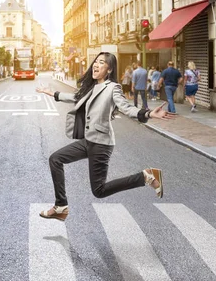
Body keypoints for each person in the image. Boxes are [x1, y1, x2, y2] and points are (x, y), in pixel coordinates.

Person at [35, 52, 175, 221]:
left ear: (108, 70)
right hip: (88, 141)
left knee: (99, 191)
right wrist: (52, 93)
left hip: (101, 143)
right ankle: (61, 206)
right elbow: (75, 97)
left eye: (101, 62)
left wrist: (149, 113)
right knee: (55, 159)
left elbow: (126, 107)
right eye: (95, 61)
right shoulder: (91, 87)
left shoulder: (112, 88)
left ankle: (146, 176)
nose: (96, 64)